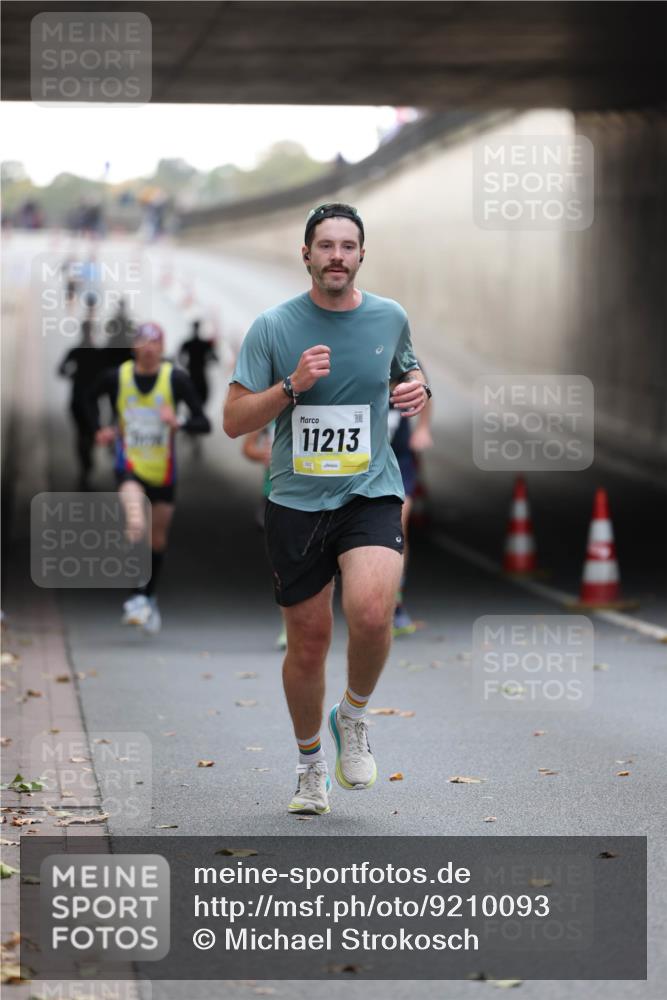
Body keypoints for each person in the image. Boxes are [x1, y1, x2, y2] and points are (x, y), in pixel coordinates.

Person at [223, 203, 431, 815]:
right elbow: (234, 421)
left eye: (348, 245)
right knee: (308, 644)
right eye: (325, 245)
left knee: (372, 611)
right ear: (306, 254)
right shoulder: (273, 326)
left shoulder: (389, 317)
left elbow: (409, 370)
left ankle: (355, 717)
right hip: (296, 501)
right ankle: (311, 763)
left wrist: (418, 387)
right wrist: (290, 387)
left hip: (370, 490)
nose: (336, 255)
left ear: (361, 254)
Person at [90, 322, 211, 634]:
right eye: (142, 342)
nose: (147, 348)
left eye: (153, 342)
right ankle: (135, 597)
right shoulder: (118, 377)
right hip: (128, 465)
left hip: (163, 472)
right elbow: (84, 398)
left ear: (161, 347)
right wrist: (97, 428)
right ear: (134, 347)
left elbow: (204, 423)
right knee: (136, 522)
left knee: (156, 539)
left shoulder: (176, 379)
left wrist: (179, 422)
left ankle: (147, 595)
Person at [389, 369, 433, 635]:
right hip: (361, 463)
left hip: (399, 461)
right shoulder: (352, 355)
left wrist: (423, 429)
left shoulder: (403, 360)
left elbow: (425, 392)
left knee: (398, 525)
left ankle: (395, 601)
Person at [241, 423, 287, 650]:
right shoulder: (269, 410)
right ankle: (288, 624)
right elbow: (247, 448)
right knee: (282, 563)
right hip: (273, 495)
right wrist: (264, 454)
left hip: (309, 494)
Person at [57, 293, 108, 490]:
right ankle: (87, 465)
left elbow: (61, 370)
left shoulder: (76, 352)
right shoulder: (96, 354)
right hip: (88, 401)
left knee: (83, 434)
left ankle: (85, 466)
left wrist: (72, 375)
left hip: (79, 399)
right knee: (89, 432)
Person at [178, 319, 218, 406]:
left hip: (197, 375)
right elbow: (215, 358)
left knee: (198, 398)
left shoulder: (200, 344)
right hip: (194, 375)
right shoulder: (191, 344)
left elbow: (215, 358)